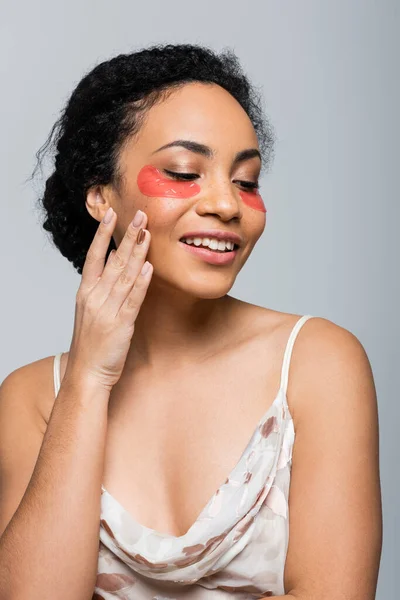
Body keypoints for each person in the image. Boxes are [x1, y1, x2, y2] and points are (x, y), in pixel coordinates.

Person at [0, 43, 382, 600]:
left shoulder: (318, 364)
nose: (228, 204)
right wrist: (87, 382)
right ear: (102, 198)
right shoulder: (32, 397)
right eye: (184, 172)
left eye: (246, 181)